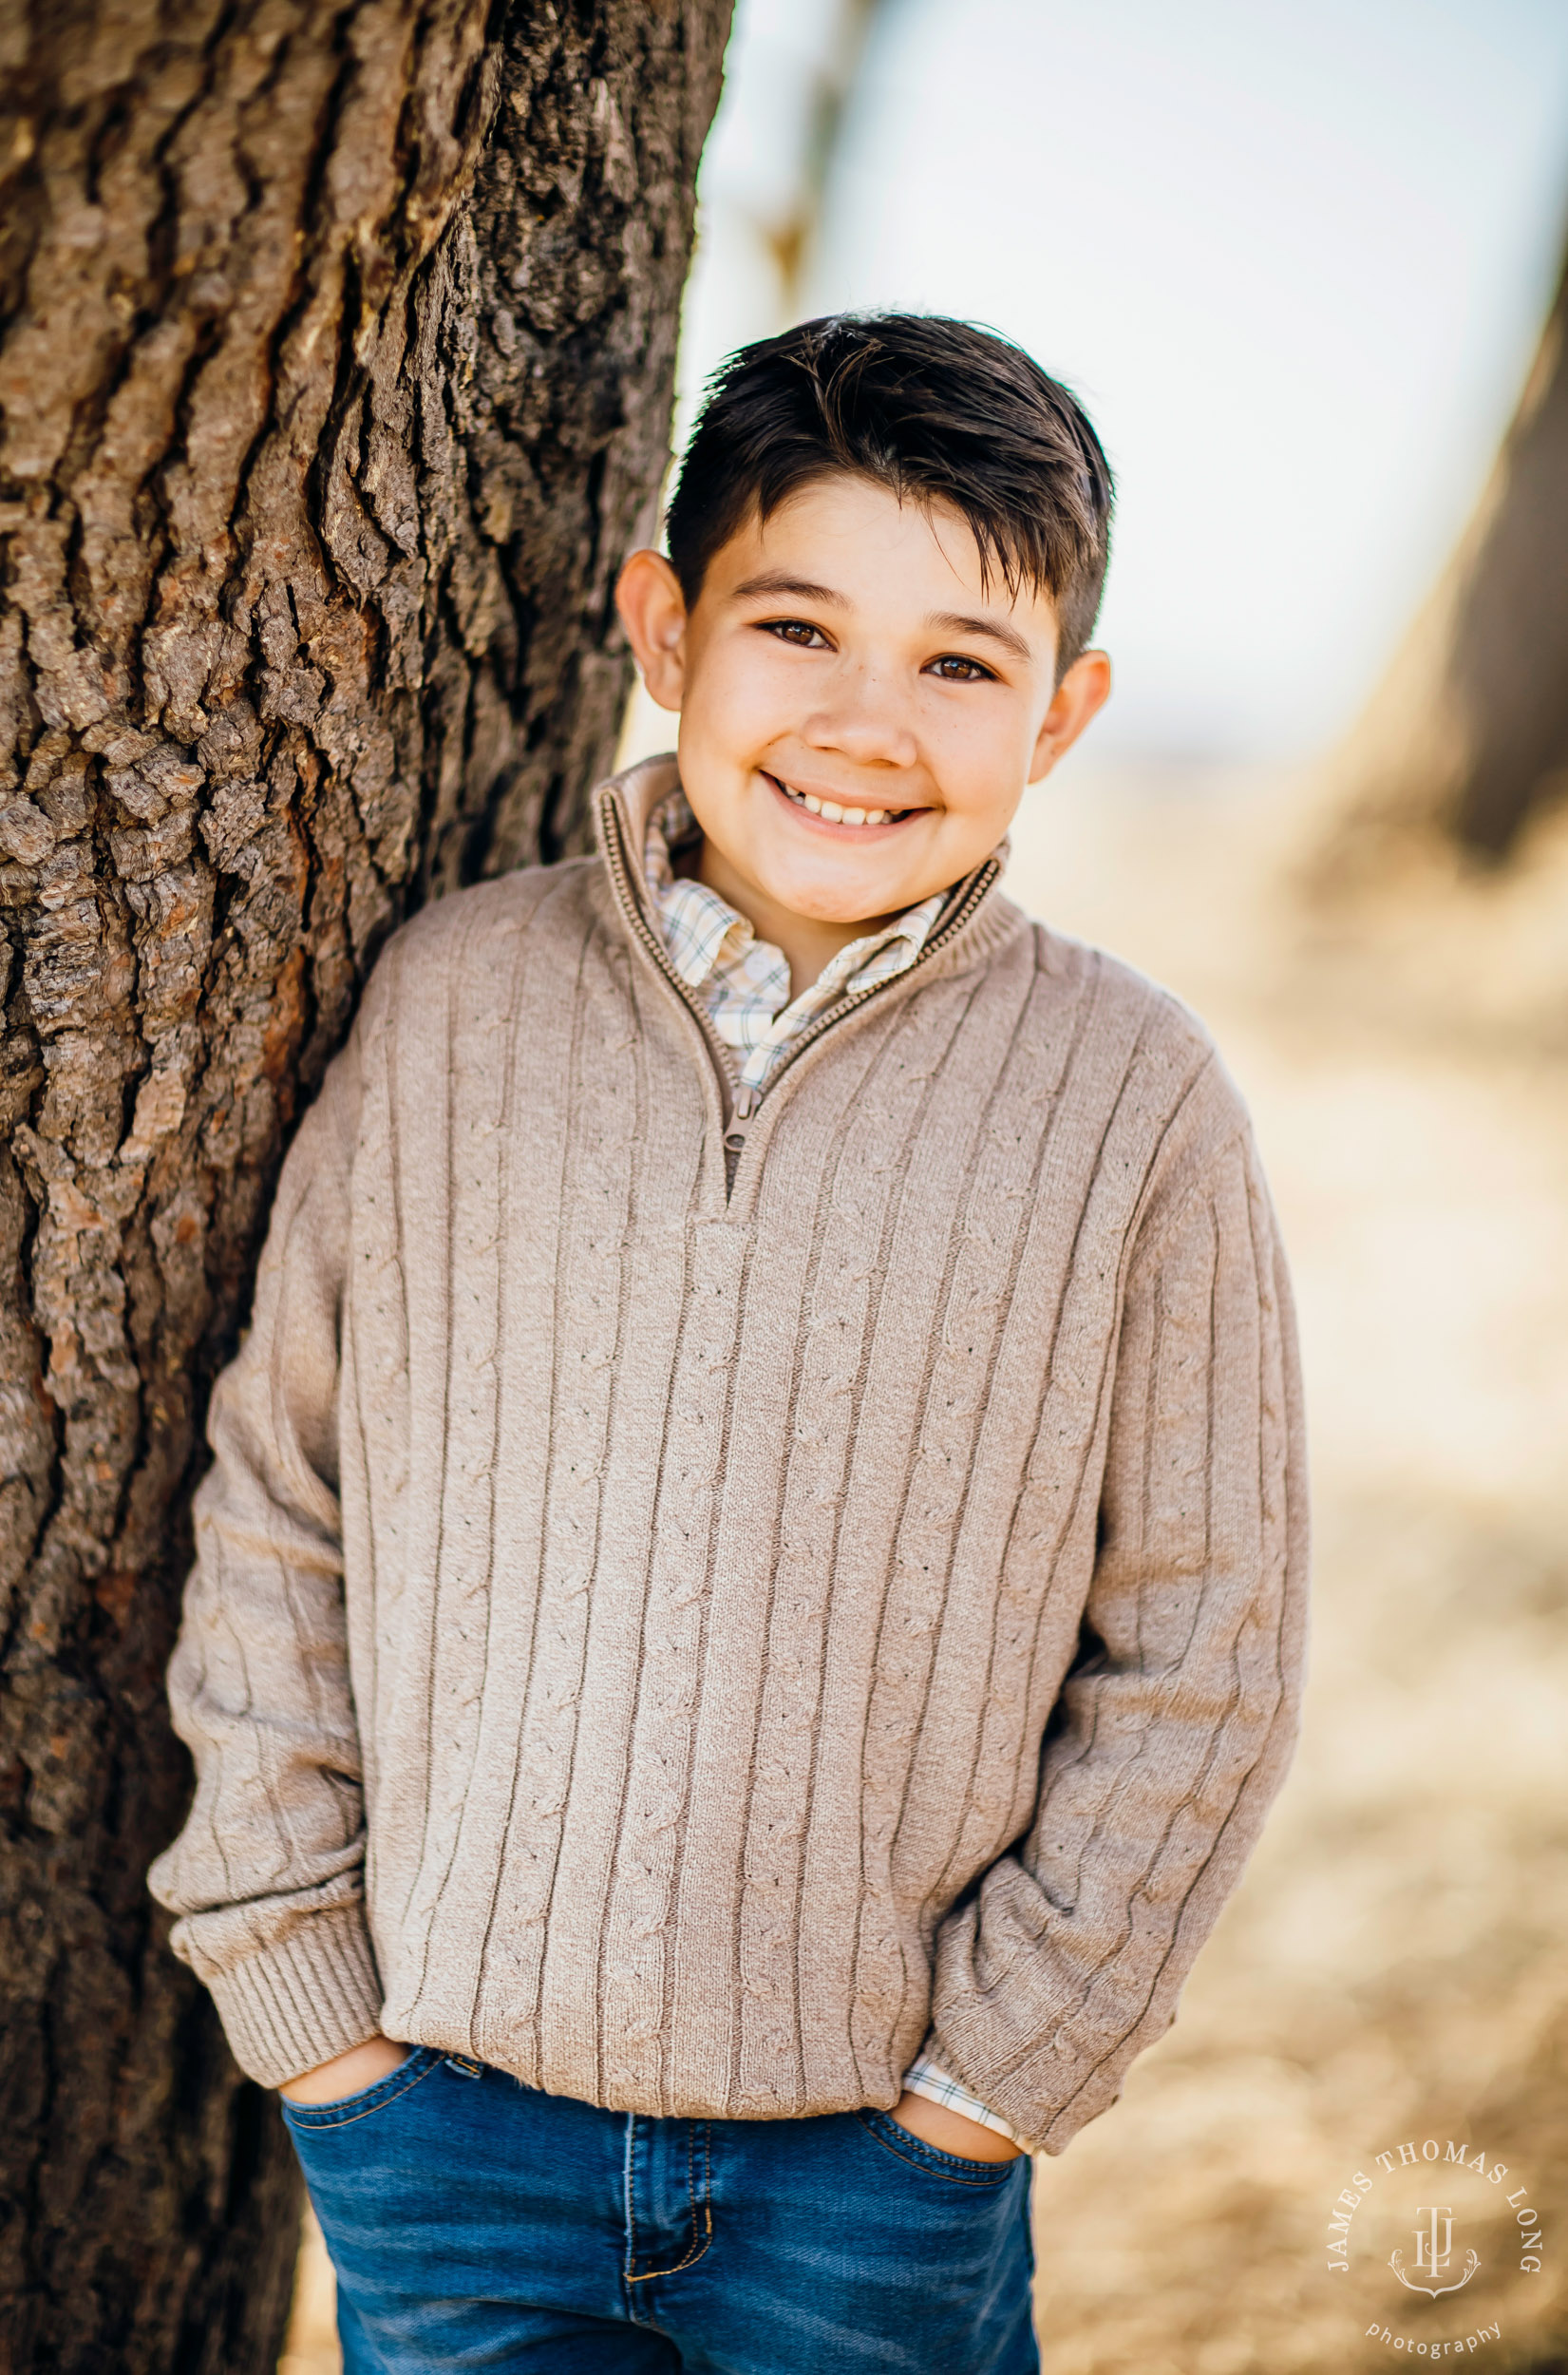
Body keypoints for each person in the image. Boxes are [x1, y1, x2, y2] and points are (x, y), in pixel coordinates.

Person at [149, 313, 1308, 2373]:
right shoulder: (455, 1005)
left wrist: (987, 2089)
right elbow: (282, 1492)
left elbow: (1205, 1641)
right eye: (802, 630)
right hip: (443, 2131)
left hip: (875, 2170)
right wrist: (309, 2004)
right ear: (667, 629)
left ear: (1064, 714)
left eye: (962, 660)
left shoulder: (1134, 1100)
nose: (871, 722)